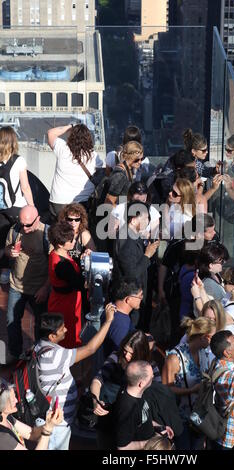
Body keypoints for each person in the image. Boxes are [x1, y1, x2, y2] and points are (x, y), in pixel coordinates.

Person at [35, 306, 115, 450]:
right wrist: (108, 321)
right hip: (56, 423)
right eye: (62, 329)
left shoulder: (38, 347)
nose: (66, 330)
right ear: (52, 336)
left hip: (48, 417)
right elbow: (90, 348)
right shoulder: (55, 355)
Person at [91, 330, 161, 449]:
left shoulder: (150, 367)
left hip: (137, 423)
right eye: (125, 351)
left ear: (141, 352)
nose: (126, 356)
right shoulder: (116, 357)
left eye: (131, 353)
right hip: (109, 419)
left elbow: (158, 393)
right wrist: (95, 401)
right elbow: (97, 380)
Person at [162, 316, 216, 450]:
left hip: (199, 417)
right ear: (204, 337)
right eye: (212, 337)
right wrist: (191, 390)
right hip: (181, 419)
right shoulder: (175, 357)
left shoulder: (203, 353)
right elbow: (166, 389)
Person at [5, 205, 49, 361]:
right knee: (12, 320)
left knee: (40, 324)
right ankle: (15, 355)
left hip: (38, 288)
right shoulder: (16, 229)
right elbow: (6, 249)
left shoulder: (46, 234)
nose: (24, 227)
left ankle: (39, 357)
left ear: (38, 219)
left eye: (28, 224)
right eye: (21, 223)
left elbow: (55, 263)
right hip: (16, 285)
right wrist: (9, 252)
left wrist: (45, 288)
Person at [112, 360, 174, 450]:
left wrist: (160, 427)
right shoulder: (127, 408)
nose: (153, 376)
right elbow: (122, 447)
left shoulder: (138, 392)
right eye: (151, 377)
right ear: (141, 383)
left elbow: (142, 418)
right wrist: (150, 443)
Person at [47, 123, 103, 220]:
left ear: (71, 137)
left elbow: (50, 133)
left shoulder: (63, 149)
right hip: (82, 201)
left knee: (58, 231)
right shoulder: (94, 156)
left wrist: (70, 126)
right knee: (79, 229)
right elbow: (101, 172)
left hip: (59, 201)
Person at [0, 126, 34, 284]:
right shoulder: (19, 160)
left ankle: (3, 271)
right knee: (17, 239)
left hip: (1, 208)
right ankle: (16, 271)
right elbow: (25, 187)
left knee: (2, 239)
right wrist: (32, 206)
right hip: (16, 207)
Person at [113, 201, 159, 305]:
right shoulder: (127, 242)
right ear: (133, 221)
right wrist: (147, 255)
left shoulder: (131, 236)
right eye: (145, 218)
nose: (148, 222)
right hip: (129, 299)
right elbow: (131, 274)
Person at [47, 220, 85, 348]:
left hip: (59, 300)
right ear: (60, 244)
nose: (74, 242)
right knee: (67, 338)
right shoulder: (62, 266)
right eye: (70, 241)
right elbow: (80, 284)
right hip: (66, 305)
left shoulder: (55, 254)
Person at [0, 378, 63, 450]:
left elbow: (32, 434)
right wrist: (47, 430)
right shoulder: (2, 437)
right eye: (12, 400)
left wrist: (49, 423)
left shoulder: (6, 418)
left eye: (15, 396)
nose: (17, 401)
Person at [100, 281, 143, 360]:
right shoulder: (120, 324)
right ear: (128, 299)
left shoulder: (112, 309)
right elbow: (119, 354)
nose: (142, 298)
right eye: (140, 296)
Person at [104, 141, 144, 207]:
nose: (140, 162)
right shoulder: (120, 175)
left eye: (142, 159)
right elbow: (108, 203)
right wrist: (125, 211)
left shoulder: (128, 170)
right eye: (136, 160)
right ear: (128, 157)